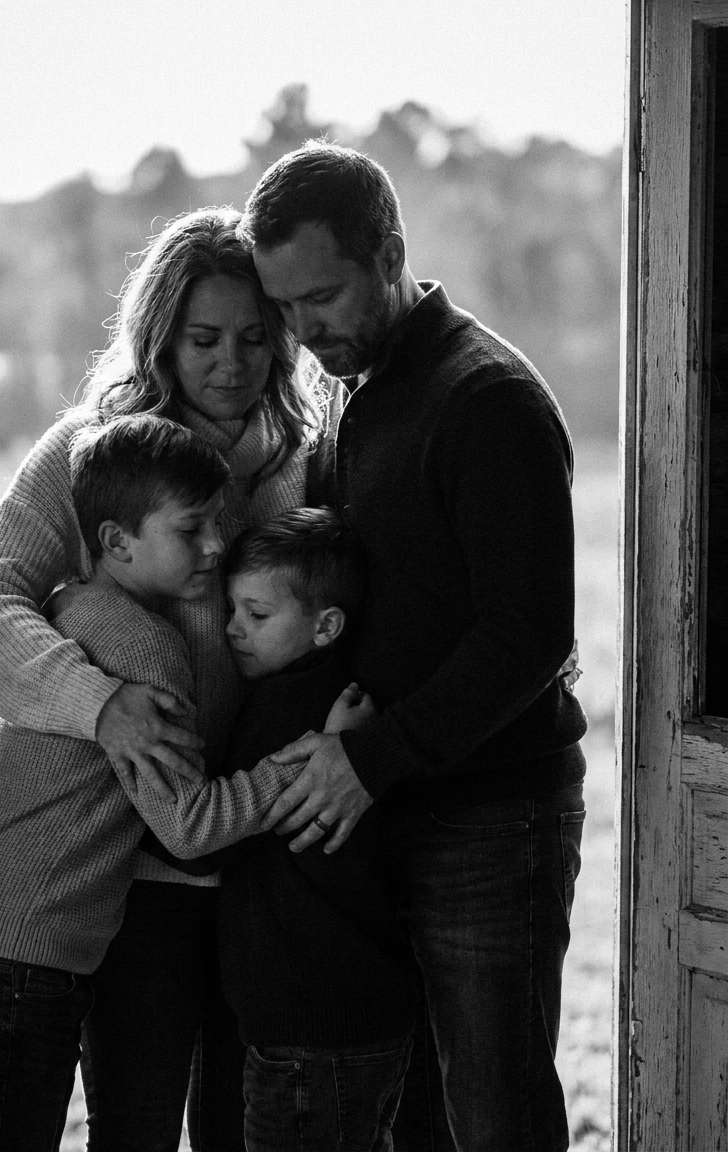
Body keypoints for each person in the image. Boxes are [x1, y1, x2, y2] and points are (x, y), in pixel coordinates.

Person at [0, 208, 339, 1151]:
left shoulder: (305, 462)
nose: (230, 364)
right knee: (137, 1124)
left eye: (253, 338)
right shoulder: (100, 453)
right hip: (133, 874)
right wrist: (98, 704)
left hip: (263, 859)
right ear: (160, 336)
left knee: (245, 1127)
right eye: (203, 340)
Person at [238, 143, 589, 1152]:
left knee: (495, 1114)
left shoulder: (487, 401)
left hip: (490, 818)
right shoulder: (356, 385)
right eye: (287, 308)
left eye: (324, 296)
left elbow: (528, 636)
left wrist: (368, 758)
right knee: (418, 1124)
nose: (304, 332)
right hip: (391, 807)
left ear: (388, 252)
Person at [217, 507, 416, 1152]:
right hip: (362, 1018)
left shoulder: (279, 715)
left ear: (326, 624)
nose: (233, 630)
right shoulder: (349, 704)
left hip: (308, 1029)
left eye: (256, 614)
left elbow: (197, 842)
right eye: (232, 611)